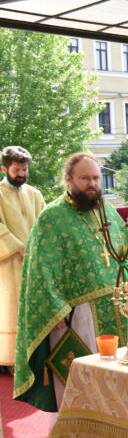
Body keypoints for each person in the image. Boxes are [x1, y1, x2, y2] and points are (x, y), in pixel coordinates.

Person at [13, 153, 128, 411]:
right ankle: (77, 430)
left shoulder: (106, 210)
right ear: (68, 179)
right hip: (79, 312)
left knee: (118, 365)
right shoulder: (52, 217)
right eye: (85, 178)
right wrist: (52, 309)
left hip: (117, 303)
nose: (92, 184)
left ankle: (120, 417)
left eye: (97, 178)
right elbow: (40, 267)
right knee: (83, 370)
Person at [0, 146, 45, 368]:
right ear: (4, 168)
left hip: (33, 262)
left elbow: (44, 224)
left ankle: (34, 357)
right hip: (8, 264)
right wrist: (18, 247)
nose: (22, 174)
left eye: (25, 169)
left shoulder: (34, 194)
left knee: (33, 308)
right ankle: (11, 361)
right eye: (17, 169)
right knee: (11, 310)